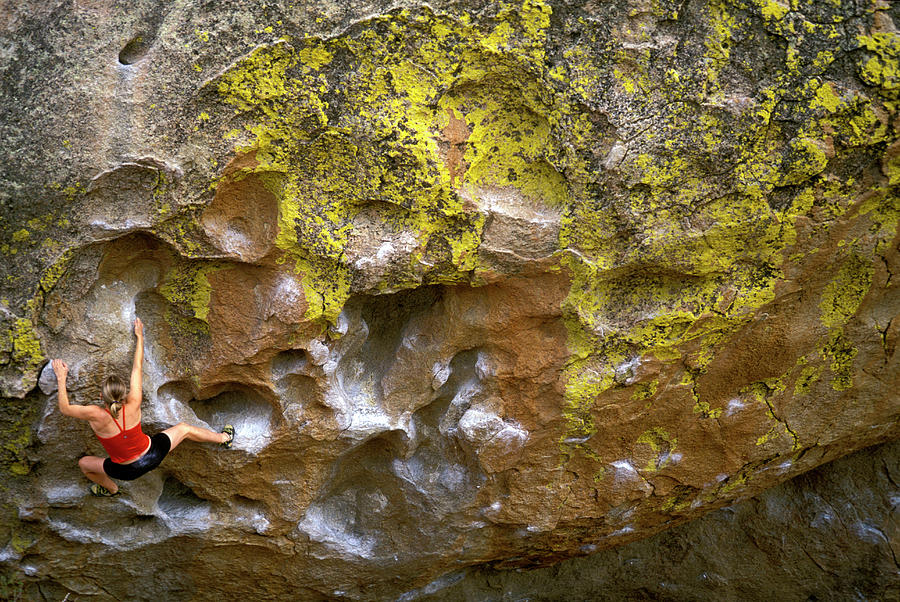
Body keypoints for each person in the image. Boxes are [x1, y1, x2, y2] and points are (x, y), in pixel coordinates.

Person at [52, 317, 234, 497]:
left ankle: (111, 489)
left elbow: (65, 408)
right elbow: (137, 368)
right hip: (153, 455)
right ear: (124, 394)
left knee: (84, 464)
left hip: (125, 472)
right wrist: (140, 337)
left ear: (101, 397)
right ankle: (224, 438)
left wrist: (61, 377)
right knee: (184, 429)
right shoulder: (134, 402)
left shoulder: (96, 414)